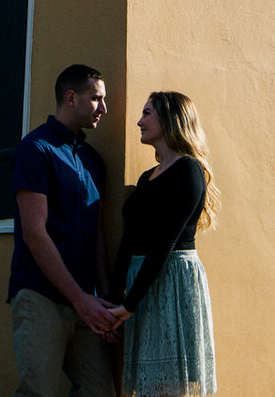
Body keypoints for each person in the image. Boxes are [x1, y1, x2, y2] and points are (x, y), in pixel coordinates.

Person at [9, 64, 118, 397]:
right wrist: (81, 300)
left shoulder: (92, 159)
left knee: (100, 392)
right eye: (96, 98)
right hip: (41, 296)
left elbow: (97, 235)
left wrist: (104, 300)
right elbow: (35, 233)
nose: (104, 108)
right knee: (38, 392)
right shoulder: (35, 149)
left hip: (86, 302)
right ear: (71, 98)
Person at [107, 91, 220, 397]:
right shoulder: (147, 178)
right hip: (142, 280)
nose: (139, 121)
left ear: (170, 119)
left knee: (170, 385)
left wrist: (129, 305)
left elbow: (164, 242)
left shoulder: (189, 171)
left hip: (171, 279)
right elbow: (129, 239)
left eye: (147, 114)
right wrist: (115, 298)